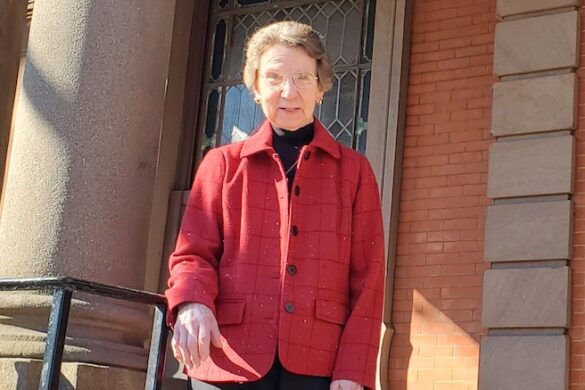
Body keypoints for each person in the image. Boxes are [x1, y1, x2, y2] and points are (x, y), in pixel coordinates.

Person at [165, 21, 385, 390]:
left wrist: (354, 371)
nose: (288, 91)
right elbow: (193, 255)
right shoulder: (221, 164)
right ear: (254, 87)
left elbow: (369, 280)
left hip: (321, 365)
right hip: (228, 359)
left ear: (320, 87)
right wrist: (191, 303)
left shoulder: (355, 172)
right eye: (274, 77)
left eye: (302, 77)